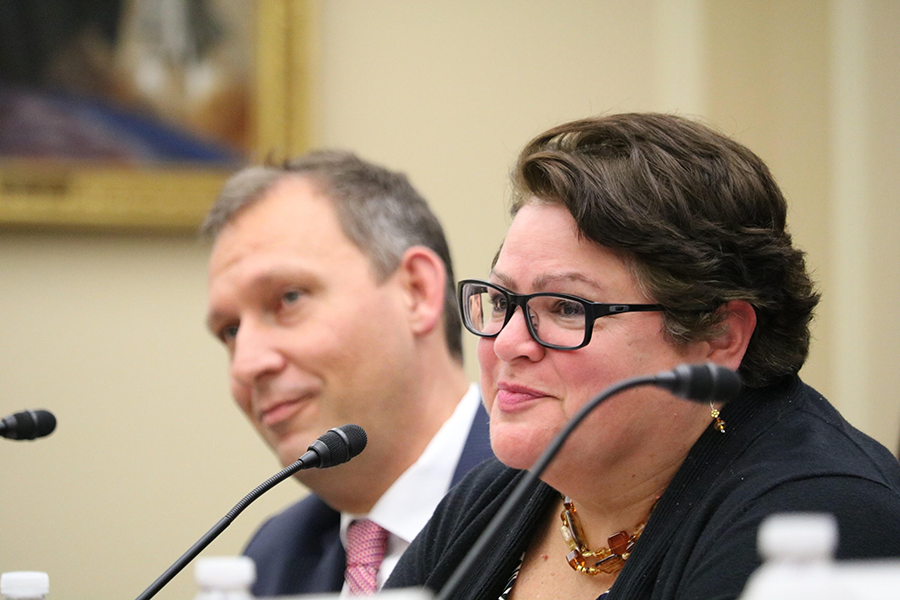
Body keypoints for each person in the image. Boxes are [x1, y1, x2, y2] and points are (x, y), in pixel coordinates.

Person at [385, 113, 900, 600]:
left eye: (565, 307)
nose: (507, 343)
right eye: (501, 301)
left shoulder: (818, 512)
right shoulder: (494, 499)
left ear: (718, 334)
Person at [202, 150, 493, 596]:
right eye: (230, 331)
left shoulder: (550, 510)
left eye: (289, 298)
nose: (246, 364)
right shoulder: (273, 557)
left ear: (415, 292)